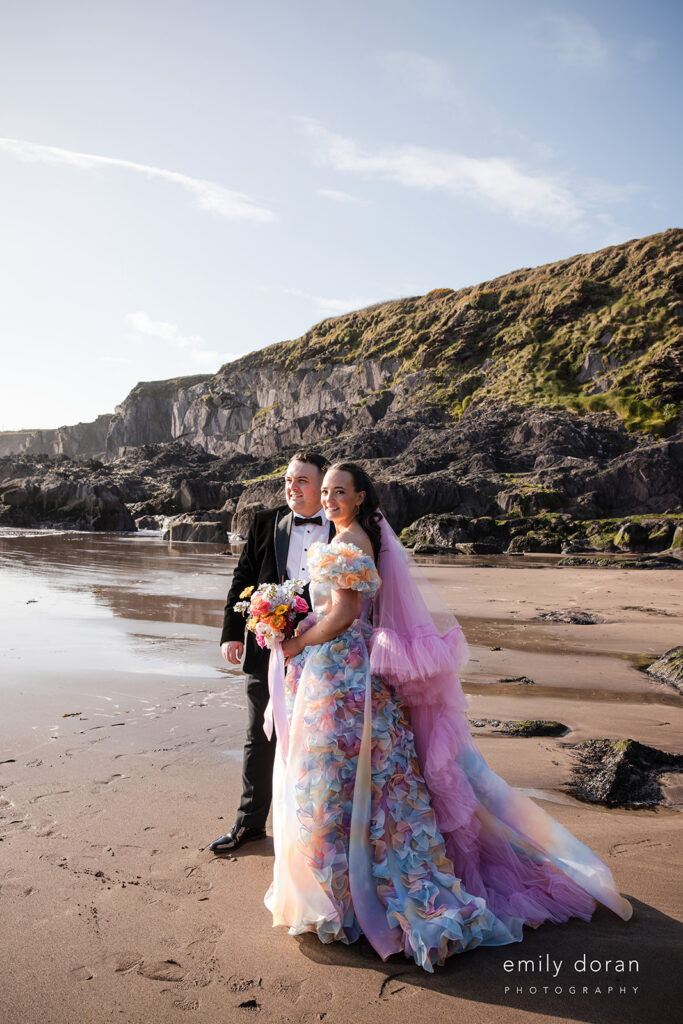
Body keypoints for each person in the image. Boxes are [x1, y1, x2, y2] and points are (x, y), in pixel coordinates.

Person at [264, 462, 632, 972]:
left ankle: (358, 898)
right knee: (349, 783)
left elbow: (345, 614)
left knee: (341, 780)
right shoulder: (345, 534)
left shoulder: (350, 543)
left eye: (338, 492)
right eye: (324, 491)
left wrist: (296, 641)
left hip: (346, 681)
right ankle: (343, 892)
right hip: (340, 672)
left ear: (361, 496)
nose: (328, 498)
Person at [211, 450, 334, 853]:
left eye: (301, 480)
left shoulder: (343, 528)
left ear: (322, 485)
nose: (291, 487)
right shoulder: (265, 523)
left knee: (320, 741)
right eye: (287, 479)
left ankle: (317, 830)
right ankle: (249, 824)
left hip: (326, 652)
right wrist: (231, 633)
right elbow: (242, 580)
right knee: (258, 737)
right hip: (267, 650)